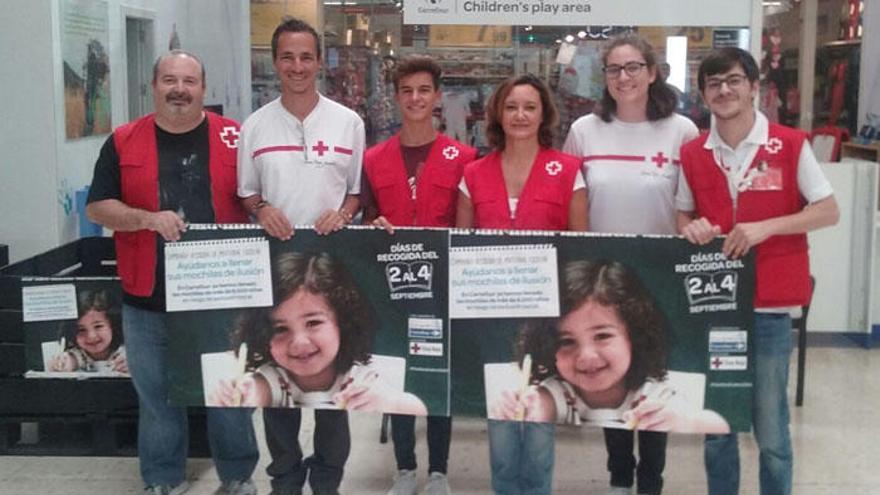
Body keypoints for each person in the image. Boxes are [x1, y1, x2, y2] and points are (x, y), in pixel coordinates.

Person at [85, 50, 259, 495]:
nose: (179, 89)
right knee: (158, 398)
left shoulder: (234, 138)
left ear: (203, 88)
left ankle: (238, 478)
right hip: (149, 297)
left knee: (229, 397)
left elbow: (258, 199)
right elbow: (99, 206)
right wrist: (146, 218)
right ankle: (163, 480)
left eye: (189, 81)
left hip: (221, 298)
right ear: (153, 86)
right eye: (169, 80)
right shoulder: (123, 141)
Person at [676, 47, 840, 495]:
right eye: (713, 83)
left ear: (753, 87)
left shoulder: (789, 145)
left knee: (771, 432)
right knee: (718, 426)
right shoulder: (692, 153)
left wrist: (767, 227)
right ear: (704, 94)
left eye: (732, 80)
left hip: (770, 308)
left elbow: (828, 211)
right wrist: (694, 229)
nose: (723, 90)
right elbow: (682, 216)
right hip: (715, 306)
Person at [561, 33, 700, 495]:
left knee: (653, 382)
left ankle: (651, 481)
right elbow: (571, 202)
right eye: (615, 70)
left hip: (659, 277)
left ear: (653, 72)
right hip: (603, 281)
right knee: (614, 382)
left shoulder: (681, 131)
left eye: (634, 67)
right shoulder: (585, 130)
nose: (624, 78)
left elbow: (693, 205)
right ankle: (619, 475)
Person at [236, 18, 364, 495]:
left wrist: (344, 214)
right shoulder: (255, 126)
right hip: (276, 274)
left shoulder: (348, 122)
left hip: (332, 272)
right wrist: (263, 209)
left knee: (334, 381)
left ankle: (328, 480)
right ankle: (285, 479)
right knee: (279, 383)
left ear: (319, 63)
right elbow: (247, 194)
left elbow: (356, 194)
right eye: (287, 57)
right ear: (275, 63)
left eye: (306, 57)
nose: (297, 66)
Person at [456, 74, 588, 495]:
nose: (520, 115)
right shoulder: (473, 174)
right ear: (498, 113)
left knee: (538, 433)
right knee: (501, 429)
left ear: (544, 114)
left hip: (548, 324)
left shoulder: (569, 171)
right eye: (511, 106)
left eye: (530, 107)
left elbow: (581, 249)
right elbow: (461, 248)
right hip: (493, 325)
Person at [362, 55, 477, 495]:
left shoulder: (463, 157)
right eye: (406, 90)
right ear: (396, 97)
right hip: (393, 290)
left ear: (436, 96)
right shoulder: (375, 159)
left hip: (443, 290)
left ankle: (439, 471)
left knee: (438, 379)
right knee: (399, 379)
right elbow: (370, 215)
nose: (415, 98)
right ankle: (406, 468)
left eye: (423, 90)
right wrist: (371, 224)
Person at [490, 259, 730, 435]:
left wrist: (684, 423)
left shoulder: (654, 396)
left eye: (602, 335)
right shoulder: (559, 393)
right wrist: (524, 409)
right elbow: (542, 406)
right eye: (566, 341)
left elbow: (719, 426)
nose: (586, 355)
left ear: (635, 335)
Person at [209, 252, 427, 416]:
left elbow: (418, 409)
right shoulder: (274, 379)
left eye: (313, 323)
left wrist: (390, 403)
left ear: (343, 322)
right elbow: (259, 391)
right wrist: (242, 395)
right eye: (280, 329)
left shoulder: (360, 380)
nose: (299, 342)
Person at [49, 288, 128, 374]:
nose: (91, 336)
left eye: (98, 326)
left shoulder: (127, 351)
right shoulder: (78, 354)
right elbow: (72, 360)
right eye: (81, 330)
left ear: (113, 325)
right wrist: (62, 363)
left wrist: (132, 363)